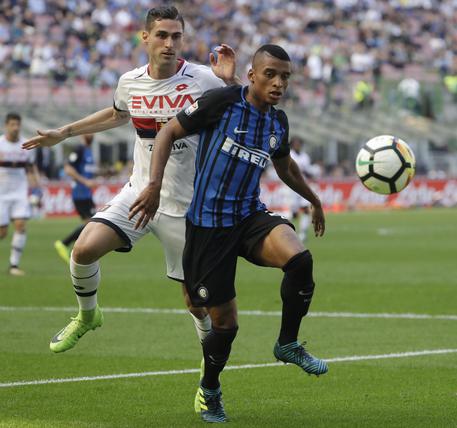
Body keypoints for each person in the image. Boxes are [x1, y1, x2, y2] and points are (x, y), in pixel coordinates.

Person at [129, 44, 328, 423]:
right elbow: (169, 131)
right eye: (270, 74)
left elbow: (284, 165)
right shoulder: (222, 103)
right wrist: (153, 184)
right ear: (252, 75)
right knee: (225, 325)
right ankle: (210, 389)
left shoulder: (278, 122)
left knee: (300, 260)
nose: (278, 83)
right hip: (208, 227)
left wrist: (313, 199)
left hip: (249, 216)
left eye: (285, 77)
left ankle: (287, 343)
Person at [23, 6, 238, 354]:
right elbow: (117, 113)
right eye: (162, 35)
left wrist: (230, 81)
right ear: (145, 37)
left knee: (195, 301)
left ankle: (208, 363)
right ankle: (88, 315)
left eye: (176, 37)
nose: (169, 43)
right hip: (139, 192)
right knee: (83, 249)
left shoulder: (204, 80)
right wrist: (64, 132)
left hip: (185, 206)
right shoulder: (130, 81)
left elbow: (248, 110)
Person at [0, 112, 41, 276]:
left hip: (19, 192)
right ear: (6, 126)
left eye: (18, 125)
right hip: (1, 193)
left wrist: (36, 188)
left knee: (21, 225)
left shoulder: (26, 145)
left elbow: (30, 169)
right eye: (12, 125)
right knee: (2, 232)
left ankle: (14, 265)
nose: (15, 128)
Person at [54, 134, 97, 264]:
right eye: (88, 131)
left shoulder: (89, 151)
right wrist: (85, 181)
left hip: (87, 194)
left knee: (92, 224)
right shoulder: (79, 149)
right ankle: (64, 243)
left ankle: (77, 248)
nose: (91, 134)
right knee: (91, 223)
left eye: (92, 132)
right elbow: (68, 168)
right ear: (82, 134)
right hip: (80, 193)